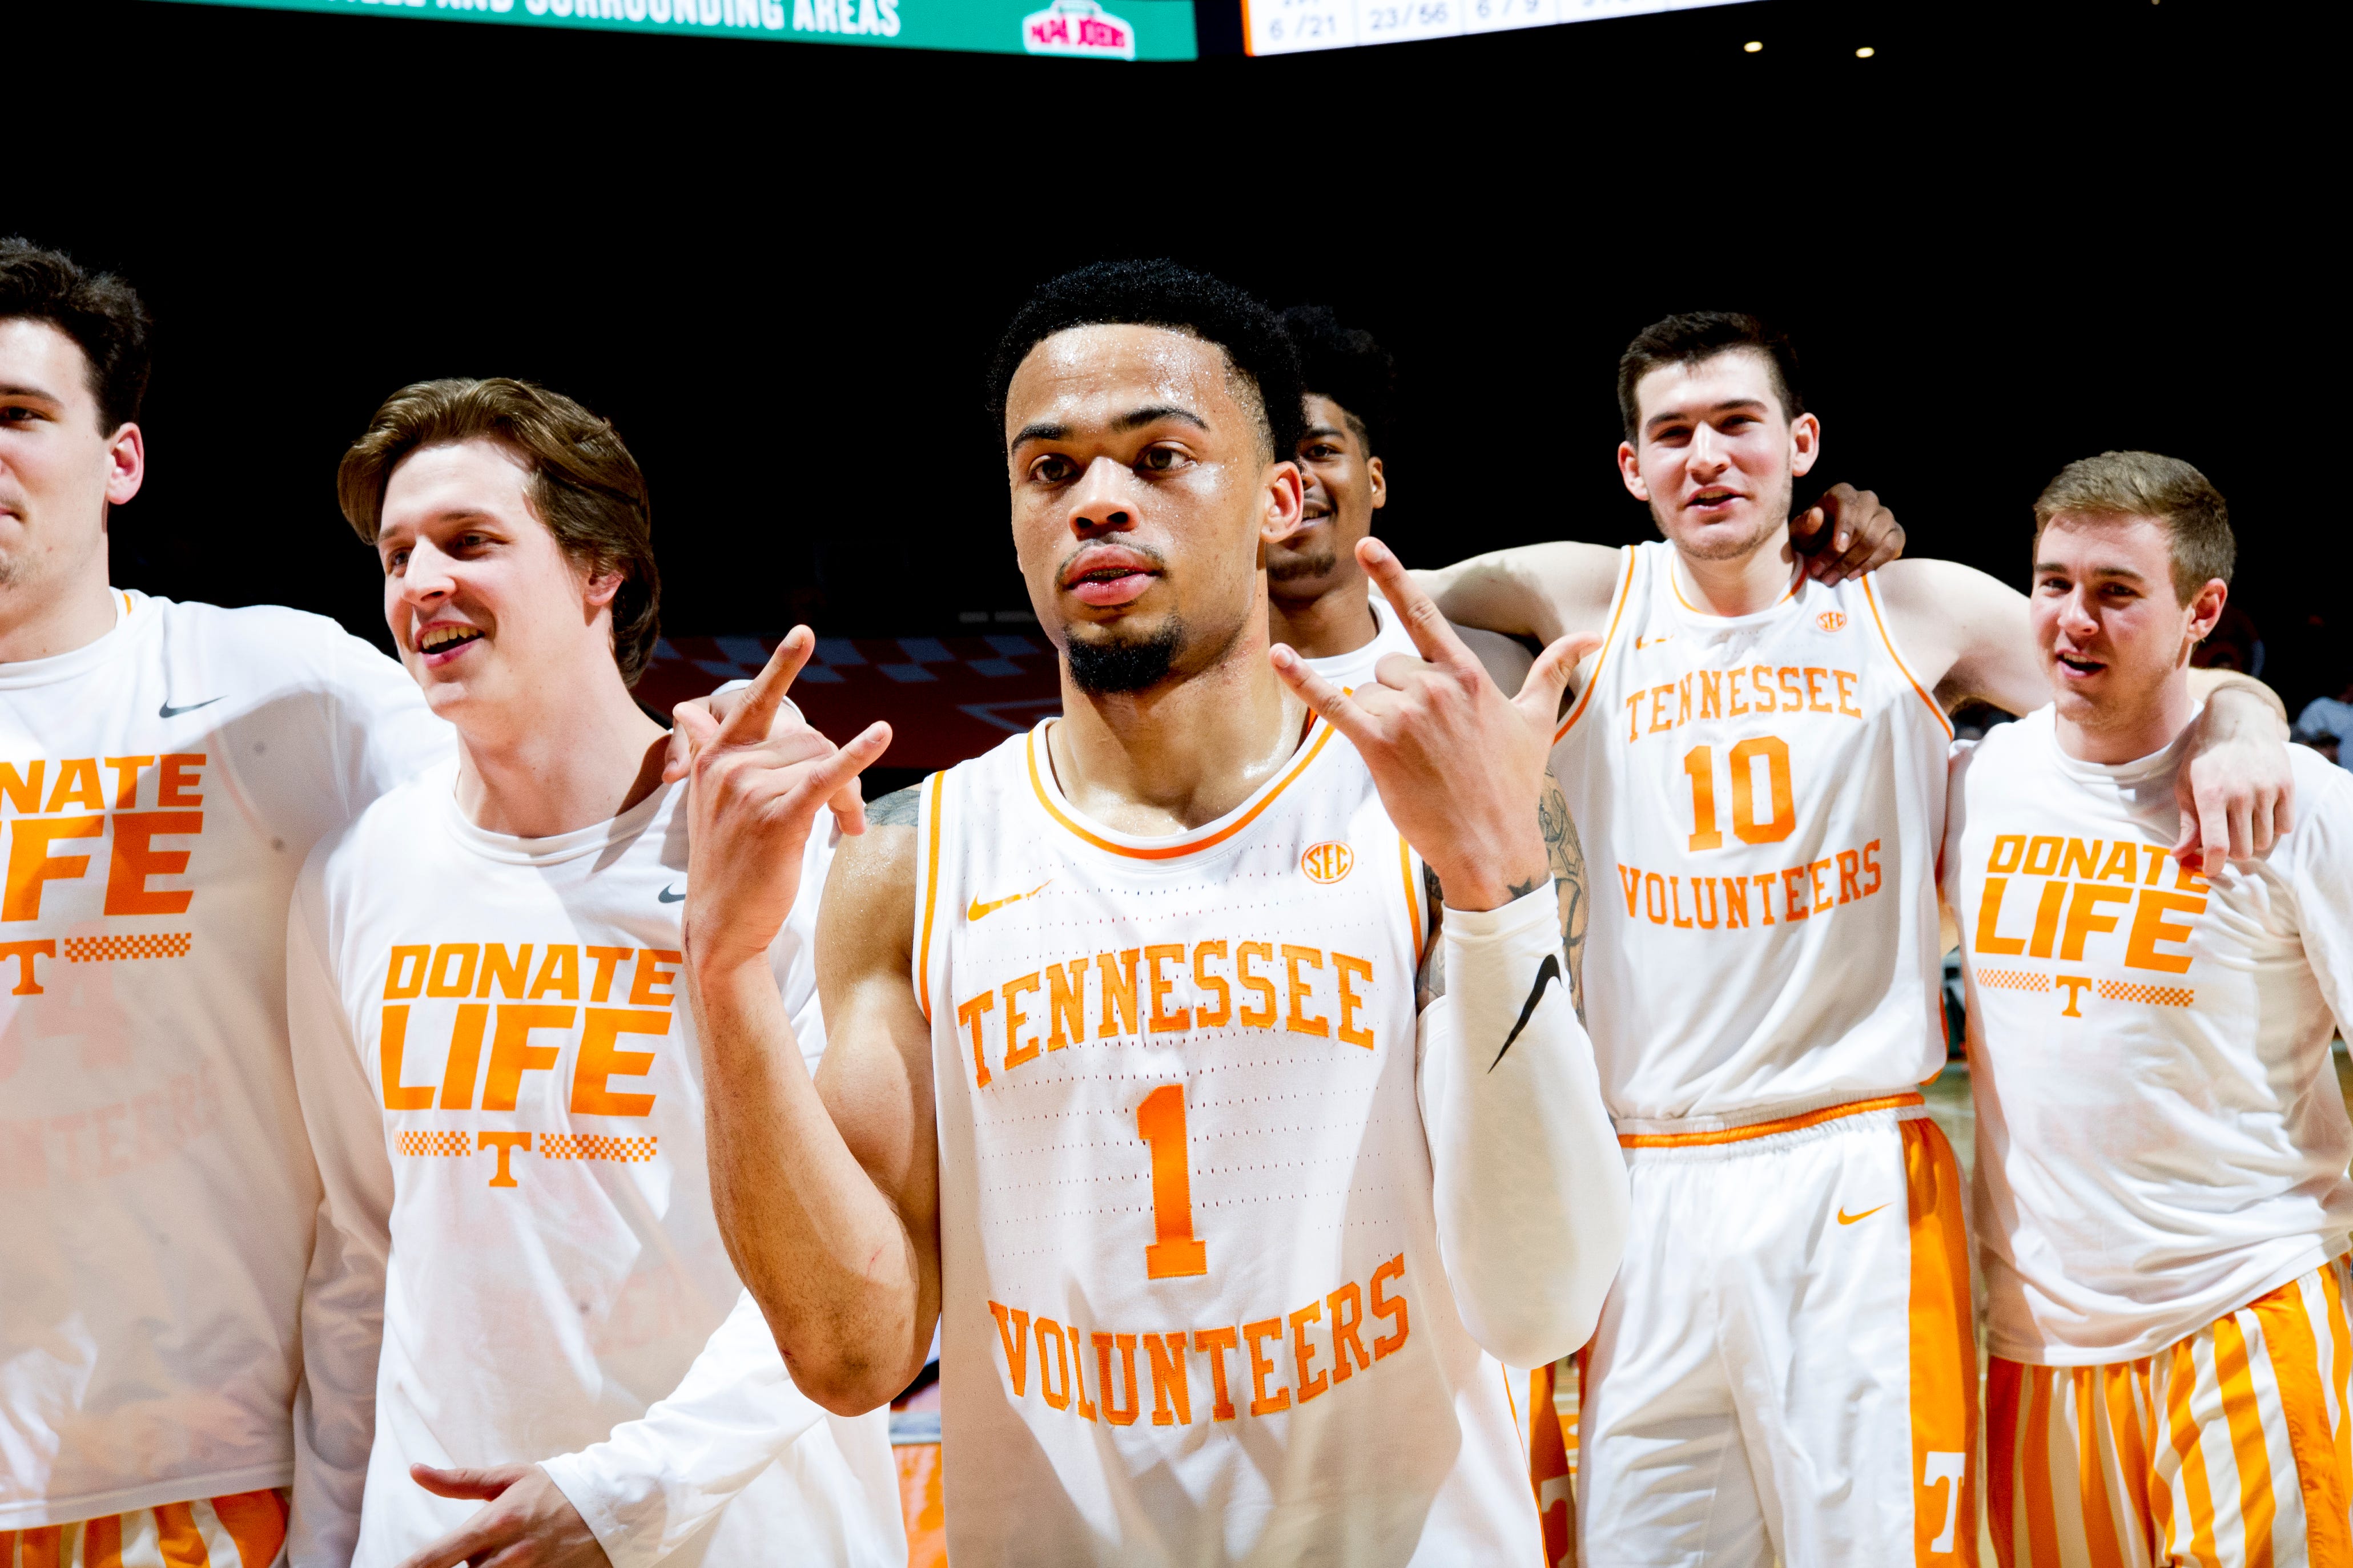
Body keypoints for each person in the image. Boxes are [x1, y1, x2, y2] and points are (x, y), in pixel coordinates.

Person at [670, 259, 1631, 1565]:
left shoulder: (1421, 818)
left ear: (1279, 499)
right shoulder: (909, 864)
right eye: (1050, 470)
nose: (1099, 502)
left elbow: (1543, 1305)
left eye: (1160, 457)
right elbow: (853, 1354)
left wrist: (1495, 887)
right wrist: (722, 975)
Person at [1421, 312, 2292, 1565]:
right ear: (1632, 469)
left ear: (1801, 445)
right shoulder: (1582, 592)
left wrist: (2247, 721)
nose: (1706, 457)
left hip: (1851, 1172)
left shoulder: (1910, 605)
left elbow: (2146, 681)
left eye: (1737, 425)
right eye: (1672, 434)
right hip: (1644, 1182)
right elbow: (1371, 598)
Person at [286, 378, 903, 1567]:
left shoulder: (783, 839)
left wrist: (629, 1493)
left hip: (736, 1534)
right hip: (442, 1541)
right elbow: (362, 1254)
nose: (422, 584)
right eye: (397, 552)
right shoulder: (359, 872)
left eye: (472, 542)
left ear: (599, 572)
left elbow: (861, 1264)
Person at [1944, 451, 2353, 1563]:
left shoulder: (2302, 809)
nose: (2075, 619)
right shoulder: (1976, 790)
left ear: (2201, 611)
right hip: (2035, 1356)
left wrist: (2244, 720)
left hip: (2246, 1322)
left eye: (2118, 592)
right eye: (2053, 582)